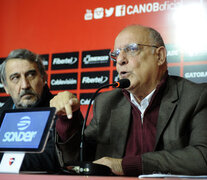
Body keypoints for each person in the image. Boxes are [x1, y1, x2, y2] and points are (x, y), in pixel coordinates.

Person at [51, 25, 207, 176]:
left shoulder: (195, 96)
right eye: (116, 54)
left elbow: (202, 156)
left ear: (159, 56)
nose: (120, 60)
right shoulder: (106, 102)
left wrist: (126, 165)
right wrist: (67, 120)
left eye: (132, 49)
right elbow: (81, 160)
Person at [0, 49, 61, 172]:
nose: (25, 85)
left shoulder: (61, 111)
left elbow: (53, 159)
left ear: (44, 78)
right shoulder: (1, 115)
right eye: (15, 77)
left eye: (31, 74)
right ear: (5, 87)